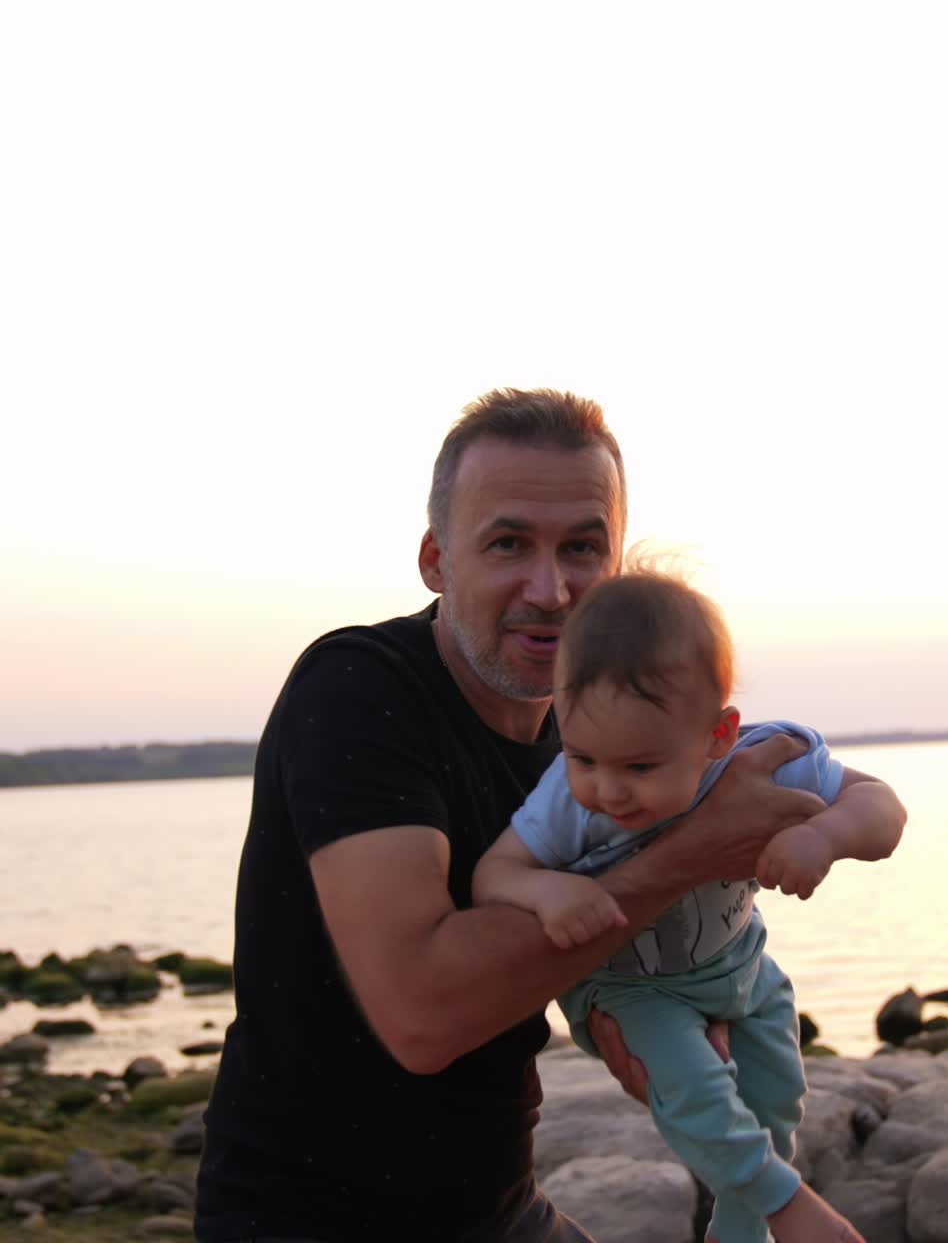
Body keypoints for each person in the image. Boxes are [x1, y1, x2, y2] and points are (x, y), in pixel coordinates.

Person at [194, 388, 837, 1243]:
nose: (552, 587)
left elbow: (585, 965)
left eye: (582, 547)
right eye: (507, 544)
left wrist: (660, 1017)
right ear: (435, 560)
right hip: (309, 1221)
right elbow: (420, 1015)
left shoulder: (589, 741)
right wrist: (693, 850)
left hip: (499, 1210)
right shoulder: (358, 692)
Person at [473, 570, 907, 1243]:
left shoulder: (764, 762)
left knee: (777, 1100)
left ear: (718, 735)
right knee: (699, 1095)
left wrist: (823, 834)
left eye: (640, 768)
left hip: (740, 967)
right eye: (584, 756)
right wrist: (546, 888)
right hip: (627, 986)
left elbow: (883, 810)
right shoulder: (568, 798)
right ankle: (787, 1207)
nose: (607, 791)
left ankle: (741, 1229)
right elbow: (495, 873)